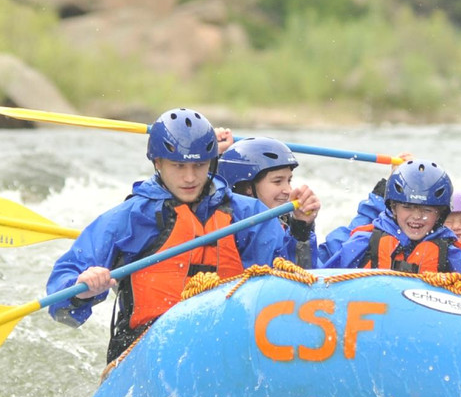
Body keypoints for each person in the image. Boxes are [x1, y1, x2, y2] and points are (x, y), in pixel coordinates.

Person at [46, 107, 297, 364]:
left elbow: (293, 281)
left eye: (199, 165)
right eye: (178, 166)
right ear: (158, 163)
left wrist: (303, 227)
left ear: (212, 163)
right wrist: (82, 291)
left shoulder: (248, 214)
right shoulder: (130, 218)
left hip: (227, 350)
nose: (190, 177)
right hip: (148, 352)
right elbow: (61, 306)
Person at [322, 158, 461, 274]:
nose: (417, 216)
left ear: (440, 215)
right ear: (393, 208)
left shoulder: (452, 254)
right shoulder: (362, 243)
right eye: (407, 207)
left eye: (427, 210)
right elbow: (322, 279)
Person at [217, 137, 322, 267]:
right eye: (277, 181)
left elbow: (302, 274)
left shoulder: (286, 223)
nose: (289, 191)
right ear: (247, 187)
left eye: (289, 180)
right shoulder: (224, 224)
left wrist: (302, 228)